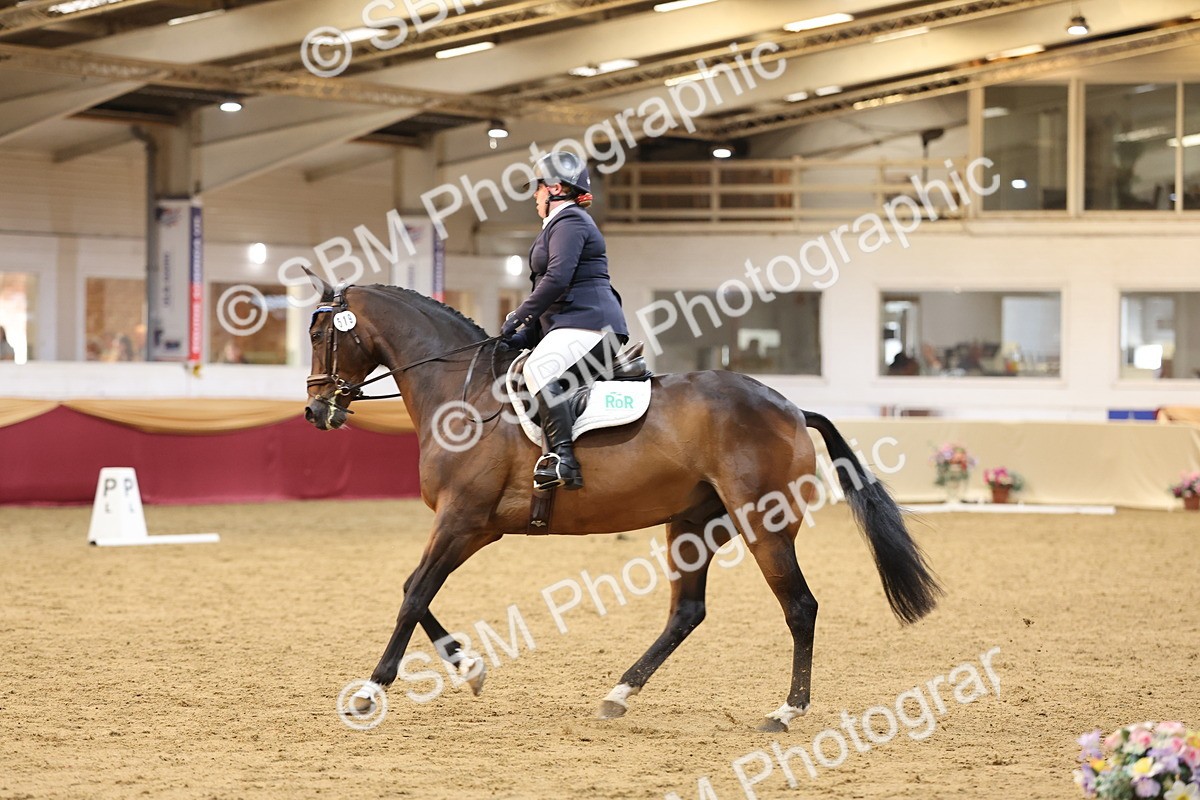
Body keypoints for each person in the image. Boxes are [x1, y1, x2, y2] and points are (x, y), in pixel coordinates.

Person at [500, 151, 630, 491]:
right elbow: (555, 294)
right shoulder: (560, 225)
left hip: (591, 322)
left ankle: (563, 459)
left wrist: (518, 315)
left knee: (539, 369)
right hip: (574, 322)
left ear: (555, 188)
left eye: (537, 188)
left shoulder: (570, 222)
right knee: (524, 362)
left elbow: (557, 279)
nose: (534, 195)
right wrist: (525, 333)